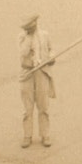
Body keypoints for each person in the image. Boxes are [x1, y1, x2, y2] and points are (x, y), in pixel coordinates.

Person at [18, 14, 56, 146]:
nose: (30, 29)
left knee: (43, 106)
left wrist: (51, 57)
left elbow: (51, 50)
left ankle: (45, 135)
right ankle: (27, 136)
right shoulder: (22, 37)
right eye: (27, 28)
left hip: (41, 72)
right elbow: (23, 53)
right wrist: (29, 38)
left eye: (32, 27)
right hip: (27, 73)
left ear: (35, 24)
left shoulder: (45, 35)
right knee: (28, 108)